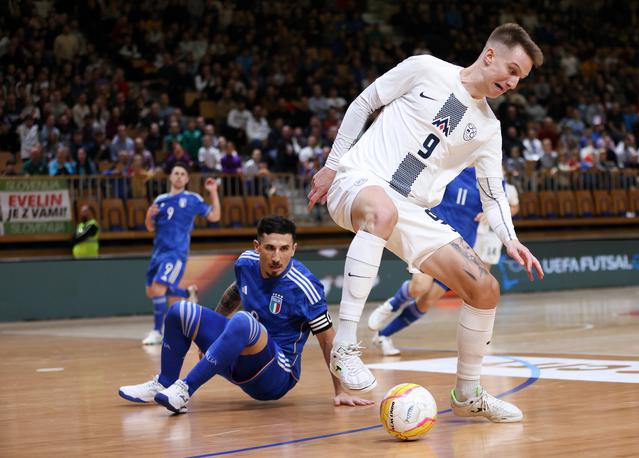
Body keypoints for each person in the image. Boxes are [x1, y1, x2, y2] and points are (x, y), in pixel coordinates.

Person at [308, 23, 544, 422]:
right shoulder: (426, 68)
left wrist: (511, 240)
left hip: (412, 209)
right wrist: (331, 168)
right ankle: (345, 346)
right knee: (383, 211)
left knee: (485, 288)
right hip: (359, 180)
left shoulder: (488, 128)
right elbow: (363, 104)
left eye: (520, 77)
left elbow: (493, 192)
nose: (513, 82)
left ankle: (468, 393)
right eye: (512, 70)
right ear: (490, 55)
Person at [119, 216, 373, 413]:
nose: (277, 257)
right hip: (239, 357)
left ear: (294, 249)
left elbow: (328, 339)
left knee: (243, 321)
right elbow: (234, 293)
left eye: (284, 249)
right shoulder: (245, 263)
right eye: (270, 248)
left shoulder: (304, 286)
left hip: (277, 376)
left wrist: (340, 390)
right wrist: (213, 340)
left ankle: (184, 389)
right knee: (179, 311)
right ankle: (164, 383)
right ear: (257, 247)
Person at [367, 168, 483, 356]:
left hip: (461, 246)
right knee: (420, 286)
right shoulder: (453, 166)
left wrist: (490, 214)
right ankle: (391, 305)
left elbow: (502, 206)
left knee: (427, 301)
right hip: (433, 236)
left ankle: (383, 335)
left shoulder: (490, 178)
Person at [142, 162, 221, 345]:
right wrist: (148, 215)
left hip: (175, 252)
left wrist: (213, 192)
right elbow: (150, 227)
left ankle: (156, 331)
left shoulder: (192, 198)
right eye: (175, 173)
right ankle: (187, 293)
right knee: (151, 290)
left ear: (186, 179)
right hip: (158, 252)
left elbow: (215, 217)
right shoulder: (160, 200)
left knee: (158, 288)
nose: (178, 176)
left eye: (182, 174)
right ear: (170, 177)